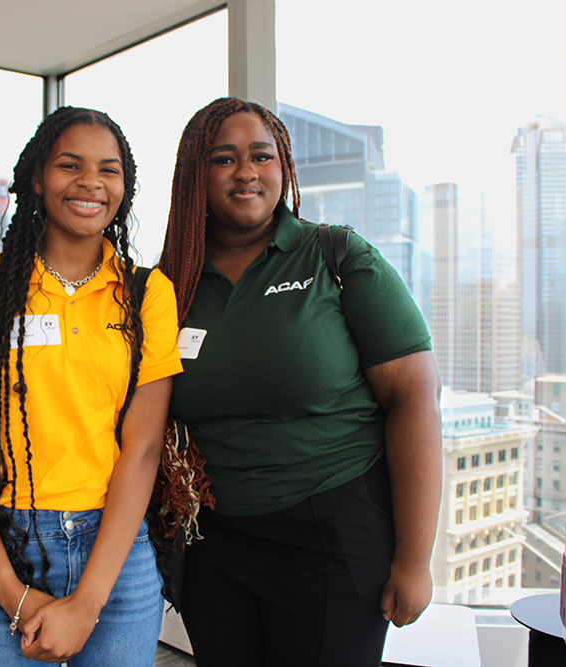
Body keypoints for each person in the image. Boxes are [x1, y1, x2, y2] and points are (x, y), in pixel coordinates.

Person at [158, 97, 442, 666]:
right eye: (224, 158)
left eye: (262, 156)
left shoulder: (335, 256)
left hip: (330, 531)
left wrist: (415, 559)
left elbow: (414, 402)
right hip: (213, 545)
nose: (247, 171)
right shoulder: (168, 285)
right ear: (195, 174)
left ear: (283, 168)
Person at [0, 106, 182, 666]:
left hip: (115, 548)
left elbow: (143, 448)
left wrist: (88, 601)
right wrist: (10, 593)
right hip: (7, 544)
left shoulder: (146, 294)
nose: (91, 182)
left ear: (125, 188)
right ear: (37, 178)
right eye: (70, 165)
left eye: (109, 170)